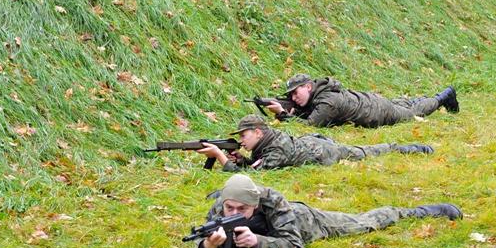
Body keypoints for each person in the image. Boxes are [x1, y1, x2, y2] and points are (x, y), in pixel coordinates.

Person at [192, 174, 461, 248]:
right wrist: (210, 247)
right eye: (231, 208)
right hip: (278, 230)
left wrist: (258, 242)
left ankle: (419, 211)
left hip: (309, 223)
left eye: (242, 209)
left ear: (255, 204)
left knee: (364, 223)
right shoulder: (220, 209)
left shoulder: (273, 201)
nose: (234, 212)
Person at [195, 115, 434, 171]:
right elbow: (258, 165)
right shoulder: (265, 145)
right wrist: (242, 161)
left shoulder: (275, 147)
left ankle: (408, 148)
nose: (241, 140)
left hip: (325, 152)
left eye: (244, 135)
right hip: (312, 143)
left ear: (258, 132)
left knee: (367, 152)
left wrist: (221, 157)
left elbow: (256, 176)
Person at [264, 73, 459, 128]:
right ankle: (432, 98)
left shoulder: (328, 101)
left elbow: (310, 125)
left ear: (308, 86)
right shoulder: (321, 93)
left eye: (295, 92)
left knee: (413, 113)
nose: (293, 98)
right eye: (290, 96)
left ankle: (442, 97)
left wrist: (283, 114)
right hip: (371, 101)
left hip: (377, 113)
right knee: (407, 104)